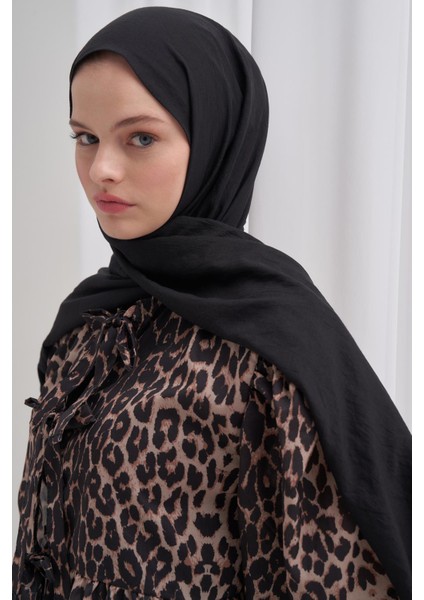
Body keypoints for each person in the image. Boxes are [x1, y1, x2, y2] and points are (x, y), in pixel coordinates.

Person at [13, 7, 411, 599]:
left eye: (141, 138)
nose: (101, 170)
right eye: (86, 137)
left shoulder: (272, 343)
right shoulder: (88, 320)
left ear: (215, 140)